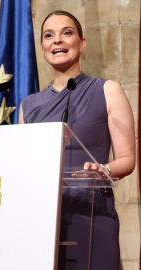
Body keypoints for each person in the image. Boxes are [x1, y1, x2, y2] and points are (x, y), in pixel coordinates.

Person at [19, 10, 135, 270]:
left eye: (67, 33)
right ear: (42, 48)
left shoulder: (107, 90)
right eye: (49, 36)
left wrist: (103, 170)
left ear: (82, 44)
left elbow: (127, 160)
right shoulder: (28, 106)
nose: (57, 41)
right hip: (42, 222)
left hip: (92, 216)